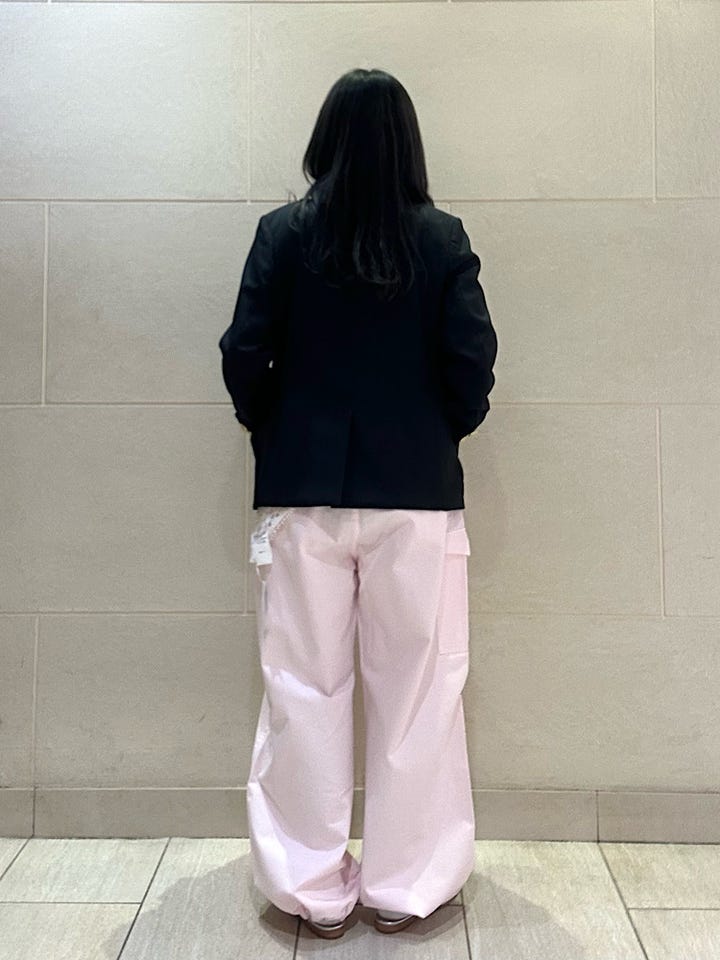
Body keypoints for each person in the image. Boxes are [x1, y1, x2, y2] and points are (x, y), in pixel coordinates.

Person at [218, 68, 498, 940]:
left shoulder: (282, 234)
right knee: (419, 689)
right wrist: (432, 434)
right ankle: (406, 884)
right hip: (415, 495)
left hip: (303, 493)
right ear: (408, 143)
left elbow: (244, 353)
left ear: (324, 137)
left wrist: (277, 432)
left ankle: (308, 887)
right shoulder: (441, 239)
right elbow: (473, 366)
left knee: (302, 685)